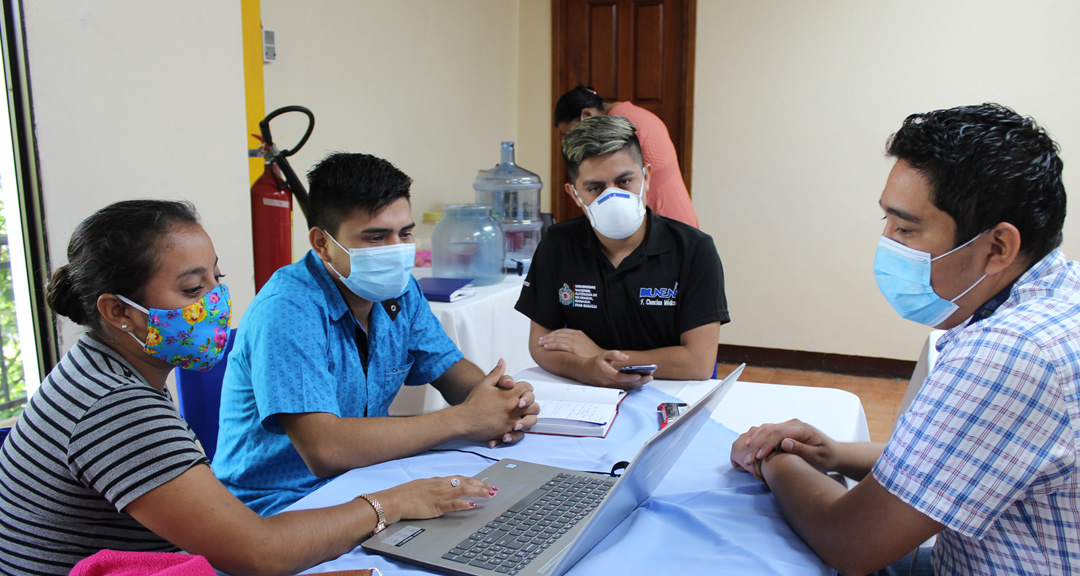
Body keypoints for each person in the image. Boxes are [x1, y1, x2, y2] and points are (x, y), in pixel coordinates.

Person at [0, 200, 496, 576]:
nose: (216, 302)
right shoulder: (117, 409)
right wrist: (394, 503)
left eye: (217, 279)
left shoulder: (99, 370)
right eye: (193, 291)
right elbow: (260, 552)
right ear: (118, 311)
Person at [730, 104, 1079, 576]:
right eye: (887, 224)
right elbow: (966, 458)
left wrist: (774, 460)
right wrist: (836, 453)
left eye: (906, 229)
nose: (888, 245)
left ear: (997, 247)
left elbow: (851, 541)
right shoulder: (1058, 295)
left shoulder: (1012, 351)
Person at [213, 152, 539, 516]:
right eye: (375, 237)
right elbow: (326, 450)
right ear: (322, 243)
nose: (397, 251)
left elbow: (451, 371)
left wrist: (502, 403)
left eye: (405, 233)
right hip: (281, 504)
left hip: (364, 481)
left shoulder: (399, 292)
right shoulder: (288, 309)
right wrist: (464, 419)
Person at [516, 115, 728, 389]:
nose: (613, 197)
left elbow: (698, 362)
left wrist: (599, 358)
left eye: (625, 181)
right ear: (574, 194)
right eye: (595, 188)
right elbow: (540, 344)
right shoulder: (558, 243)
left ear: (646, 177)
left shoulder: (694, 249)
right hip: (588, 393)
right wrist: (587, 369)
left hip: (672, 394)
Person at [554, 84, 699, 228]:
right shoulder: (635, 112)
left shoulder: (619, 126)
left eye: (572, 132)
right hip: (679, 209)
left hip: (660, 214)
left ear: (586, 115)